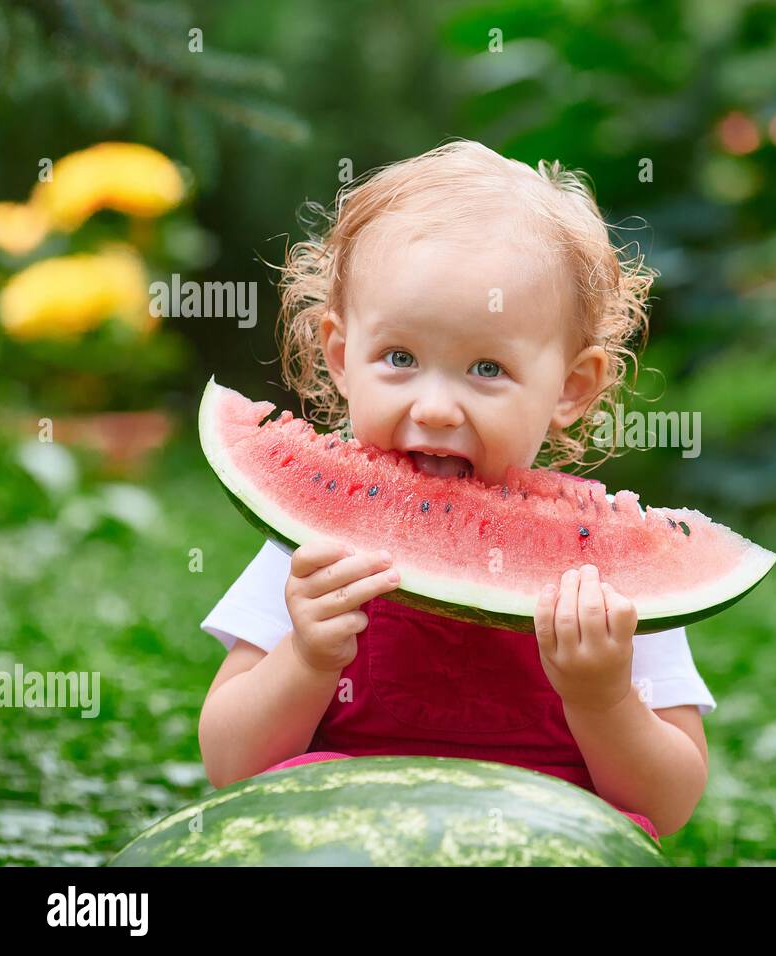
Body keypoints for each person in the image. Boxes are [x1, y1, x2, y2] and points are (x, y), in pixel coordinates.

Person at [198, 140, 717, 844]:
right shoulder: (308, 553)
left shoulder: (604, 579)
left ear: (571, 386)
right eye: (400, 358)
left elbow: (667, 802)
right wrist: (307, 657)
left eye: (486, 368)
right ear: (342, 356)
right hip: (347, 838)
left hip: (542, 842)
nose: (437, 407)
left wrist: (604, 698)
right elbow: (233, 765)